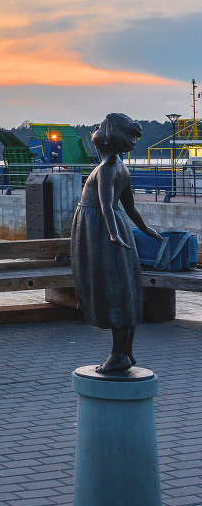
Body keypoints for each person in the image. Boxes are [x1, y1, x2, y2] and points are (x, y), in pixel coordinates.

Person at [71, 112, 160, 375]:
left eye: (99, 127)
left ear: (107, 138)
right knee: (123, 287)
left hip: (100, 231)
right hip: (112, 229)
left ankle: (119, 354)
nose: (95, 130)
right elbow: (129, 206)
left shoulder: (108, 168)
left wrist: (112, 234)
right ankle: (126, 351)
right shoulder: (120, 166)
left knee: (112, 289)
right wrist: (143, 228)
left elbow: (107, 206)